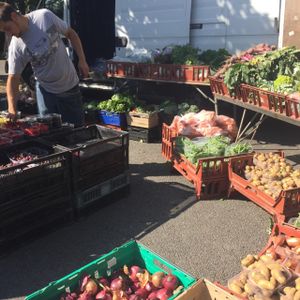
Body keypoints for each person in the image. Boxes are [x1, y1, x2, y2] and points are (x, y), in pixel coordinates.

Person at [0, 2, 89, 127]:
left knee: (77, 132)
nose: (9, 34)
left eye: (8, 28)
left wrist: (82, 60)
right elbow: (13, 78)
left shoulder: (44, 17)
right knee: (48, 135)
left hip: (69, 86)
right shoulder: (16, 46)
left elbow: (71, 34)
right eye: (4, 31)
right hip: (46, 92)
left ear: (14, 16)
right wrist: (11, 108)